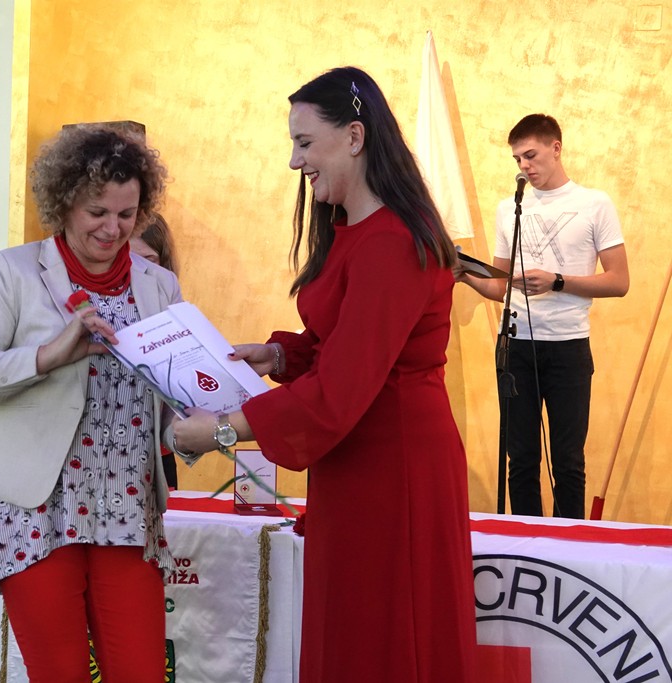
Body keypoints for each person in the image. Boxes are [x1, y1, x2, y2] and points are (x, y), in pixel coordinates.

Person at [172, 66, 476, 682]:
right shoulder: (354, 232)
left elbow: (343, 388)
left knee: (384, 633)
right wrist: (285, 357)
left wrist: (223, 431)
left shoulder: (390, 242)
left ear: (355, 137)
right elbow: (348, 348)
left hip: (393, 468)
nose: (294, 161)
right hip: (358, 458)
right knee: (355, 627)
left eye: (305, 142)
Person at [0, 124, 179, 682]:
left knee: (141, 674)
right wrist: (46, 356)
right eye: (97, 212)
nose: (113, 228)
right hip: (33, 511)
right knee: (59, 674)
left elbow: (167, 399)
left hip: (127, 511)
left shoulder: (159, 285)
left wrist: (204, 411)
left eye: (127, 213)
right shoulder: (15, 272)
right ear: (63, 203)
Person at [455, 114, 629, 518]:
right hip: (516, 348)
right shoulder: (510, 209)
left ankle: (568, 544)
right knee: (520, 460)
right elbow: (500, 287)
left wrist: (558, 281)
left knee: (568, 462)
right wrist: (464, 274)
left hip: (568, 348)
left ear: (556, 148)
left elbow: (619, 281)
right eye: (517, 159)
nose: (524, 166)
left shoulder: (594, 204)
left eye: (530, 155)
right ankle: (527, 541)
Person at [130, 213, 180, 489]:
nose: (139, 271)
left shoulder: (173, 310)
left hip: (157, 453)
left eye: (148, 261)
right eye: (129, 259)